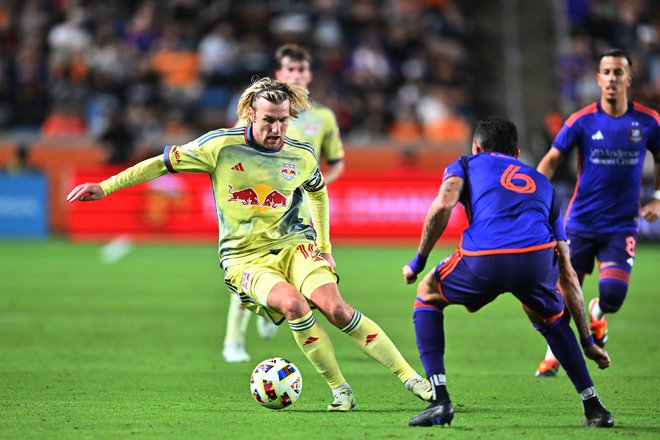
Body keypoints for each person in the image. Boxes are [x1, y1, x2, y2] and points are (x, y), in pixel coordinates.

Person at [67, 77, 431, 412]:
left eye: (284, 120)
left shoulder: (301, 154)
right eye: (269, 120)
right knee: (292, 305)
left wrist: (325, 245)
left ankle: (411, 378)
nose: (277, 129)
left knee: (336, 310)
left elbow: (318, 194)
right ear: (249, 114)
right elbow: (160, 165)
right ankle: (340, 389)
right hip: (244, 259)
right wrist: (106, 186)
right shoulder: (219, 146)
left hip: (295, 245)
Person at [402, 117, 614, 428]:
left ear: (476, 147)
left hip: (486, 257)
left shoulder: (465, 163)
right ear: (516, 153)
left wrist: (419, 261)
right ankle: (594, 407)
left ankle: (440, 400)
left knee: (428, 293)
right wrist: (588, 341)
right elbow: (568, 274)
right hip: (536, 259)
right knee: (549, 318)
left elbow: (442, 205)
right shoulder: (544, 184)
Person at [534, 48, 660, 377]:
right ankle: (553, 355)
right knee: (563, 290)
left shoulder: (648, 121)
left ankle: (598, 310)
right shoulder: (581, 120)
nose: (612, 79)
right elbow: (550, 160)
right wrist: (531, 196)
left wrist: (658, 196)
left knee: (614, 297)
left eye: (619, 72)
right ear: (598, 78)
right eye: (606, 72)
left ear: (628, 79)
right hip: (580, 223)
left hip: (621, 225)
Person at [222, 44, 346, 363]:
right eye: (290, 70)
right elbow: (237, 149)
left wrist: (315, 185)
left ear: (310, 73)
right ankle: (233, 341)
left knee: (300, 277)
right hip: (265, 208)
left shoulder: (324, 118)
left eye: (302, 69)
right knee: (251, 272)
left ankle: (271, 313)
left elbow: (335, 162)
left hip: (301, 210)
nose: (297, 74)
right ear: (280, 75)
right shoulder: (263, 111)